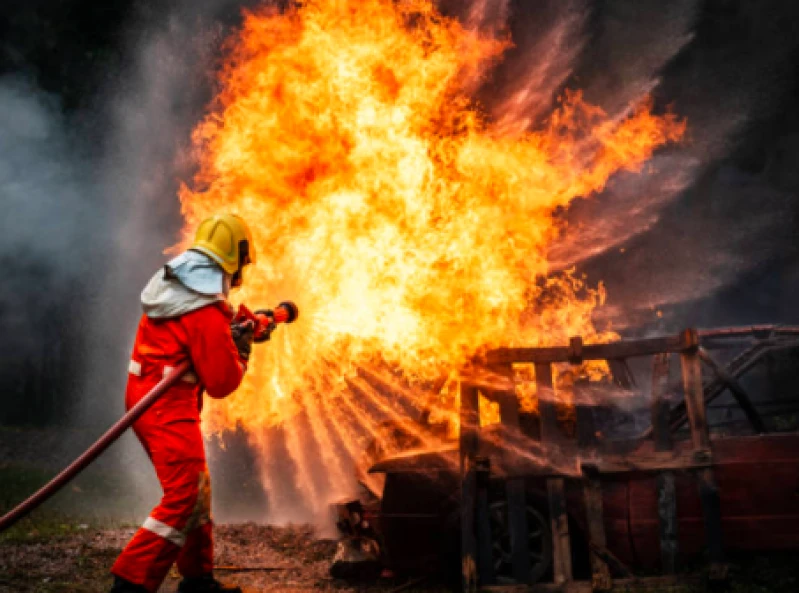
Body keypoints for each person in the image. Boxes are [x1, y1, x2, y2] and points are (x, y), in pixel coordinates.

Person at [109, 213, 256, 593]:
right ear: (232, 258)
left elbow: (185, 343)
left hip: (145, 397)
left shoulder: (172, 284)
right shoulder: (205, 310)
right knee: (185, 495)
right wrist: (242, 351)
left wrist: (230, 333)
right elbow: (222, 382)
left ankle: (197, 580)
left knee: (195, 489)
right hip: (165, 408)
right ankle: (129, 583)